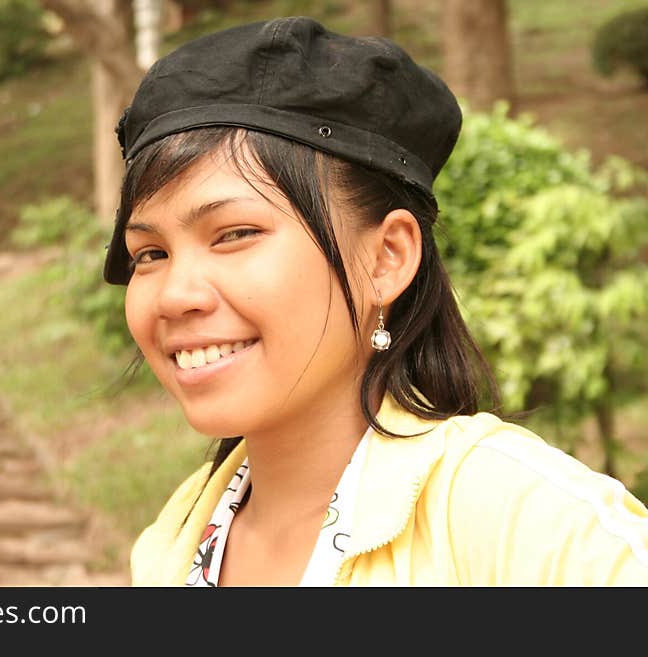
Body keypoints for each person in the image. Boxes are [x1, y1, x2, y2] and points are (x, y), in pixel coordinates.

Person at [101, 16, 648, 586]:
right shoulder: (173, 540)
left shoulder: (528, 527)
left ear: (387, 257)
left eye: (235, 234)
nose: (176, 296)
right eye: (149, 254)